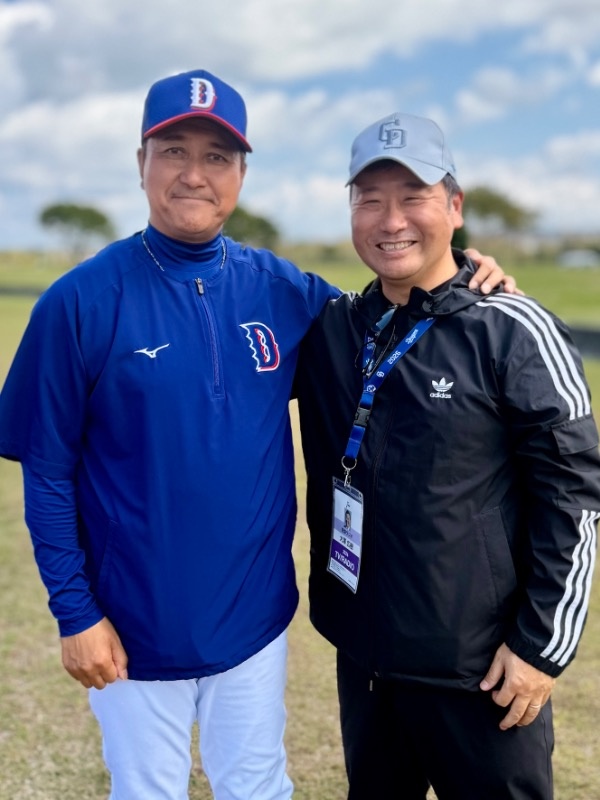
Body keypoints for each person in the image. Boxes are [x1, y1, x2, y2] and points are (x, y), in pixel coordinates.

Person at [0, 71, 512, 800]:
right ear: (141, 163)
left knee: (258, 783)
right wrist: (75, 613)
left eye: (217, 156)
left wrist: (463, 273)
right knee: (147, 790)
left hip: (255, 617)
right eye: (173, 151)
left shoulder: (284, 290)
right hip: (130, 622)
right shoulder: (77, 302)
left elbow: (394, 317)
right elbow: (47, 473)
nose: (194, 174)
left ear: (241, 173)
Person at [295, 112, 600, 799]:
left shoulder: (512, 329)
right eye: (370, 199)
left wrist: (540, 648)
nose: (391, 220)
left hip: (482, 672)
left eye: (415, 196)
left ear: (455, 207)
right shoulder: (333, 328)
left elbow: (574, 498)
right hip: (367, 662)